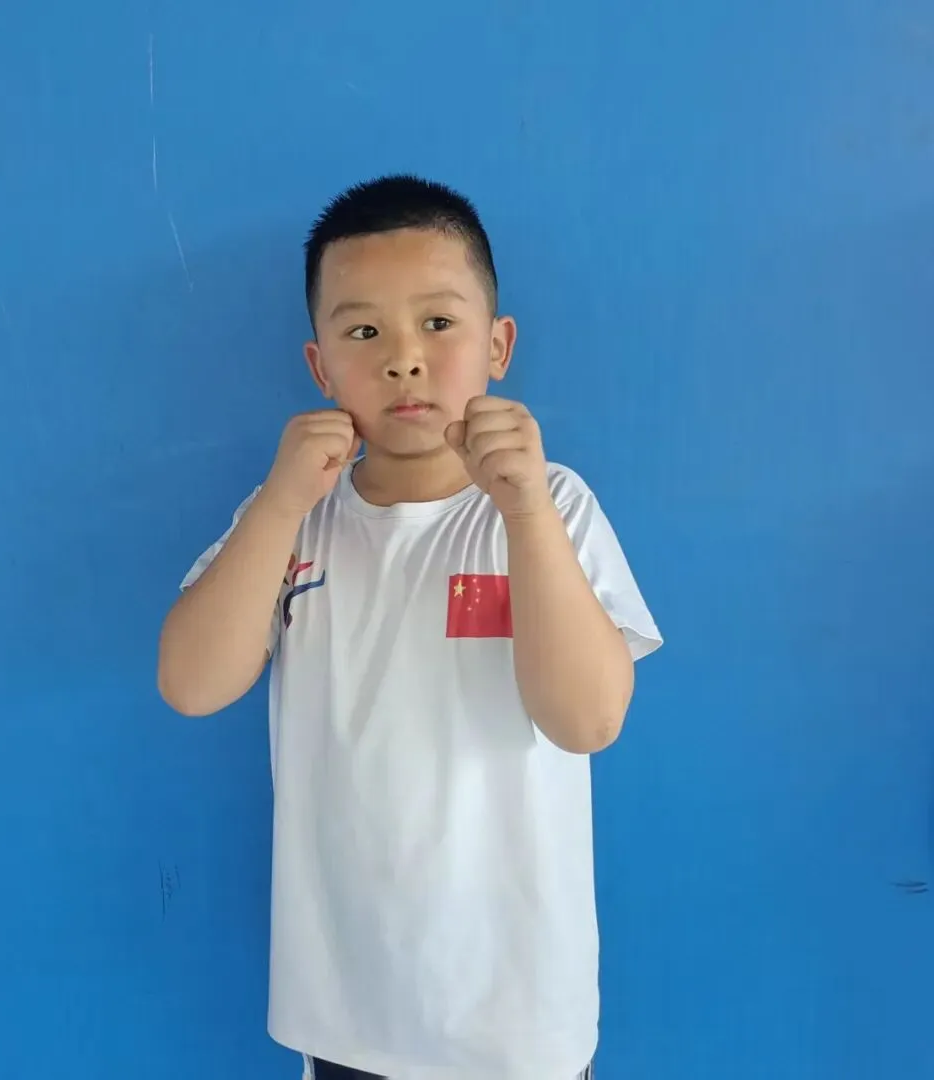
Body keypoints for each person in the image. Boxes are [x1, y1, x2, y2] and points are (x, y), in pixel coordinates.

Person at [157, 175, 662, 1080]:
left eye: (437, 323)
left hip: (518, 1025)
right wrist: (278, 503)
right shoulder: (293, 516)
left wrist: (525, 512)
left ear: (498, 345)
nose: (403, 360)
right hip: (347, 1017)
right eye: (363, 333)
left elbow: (587, 720)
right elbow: (191, 685)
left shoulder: (552, 505)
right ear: (320, 368)